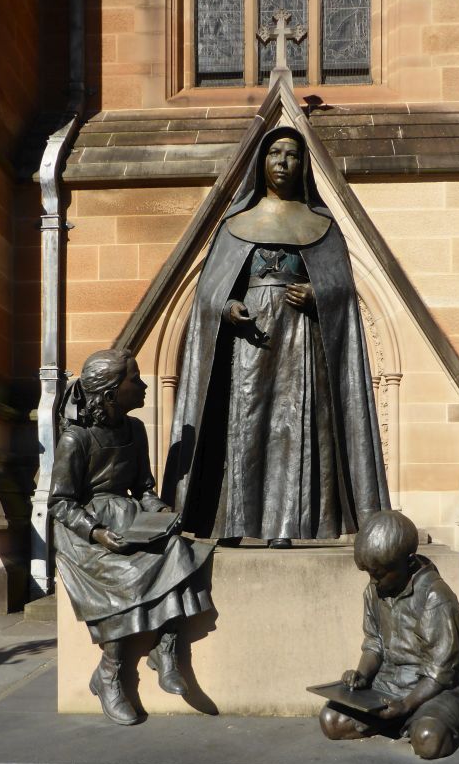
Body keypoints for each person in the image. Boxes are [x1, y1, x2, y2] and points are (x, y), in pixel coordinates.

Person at [162, 125, 389, 548]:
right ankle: (232, 521)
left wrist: (321, 293)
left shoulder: (321, 224)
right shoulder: (235, 224)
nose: (283, 163)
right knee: (241, 427)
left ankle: (285, 527)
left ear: (303, 166)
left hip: (300, 339)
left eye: (292, 155)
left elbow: (342, 286)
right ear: (261, 162)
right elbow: (210, 293)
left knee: (293, 429)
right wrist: (228, 309)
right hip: (247, 342)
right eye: (275, 154)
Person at [49, 349, 214, 725]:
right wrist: (97, 533)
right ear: (109, 394)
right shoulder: (76, 440)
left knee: (176, 549)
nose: (142, 386)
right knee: (125, 573)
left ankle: (167, 648)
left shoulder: (136, 430)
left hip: (128, 518)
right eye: (134, 379)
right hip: (84, 530)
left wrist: (158, 512)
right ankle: (109, 673)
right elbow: (59, 503)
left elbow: (143, 488)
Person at [319, 510, 459, 759]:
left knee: (429, 741)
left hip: (430, 691)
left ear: (408, 563)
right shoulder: (374, 590)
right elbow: (374, 642)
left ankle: (411, 721)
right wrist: (362, 674)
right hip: (386, 686)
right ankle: (395, 721)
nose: (373, 581)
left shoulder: (435, 597)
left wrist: (407, 704)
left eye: (378, 573)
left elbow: (440, 674)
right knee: (331, 720)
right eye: (369, 573)